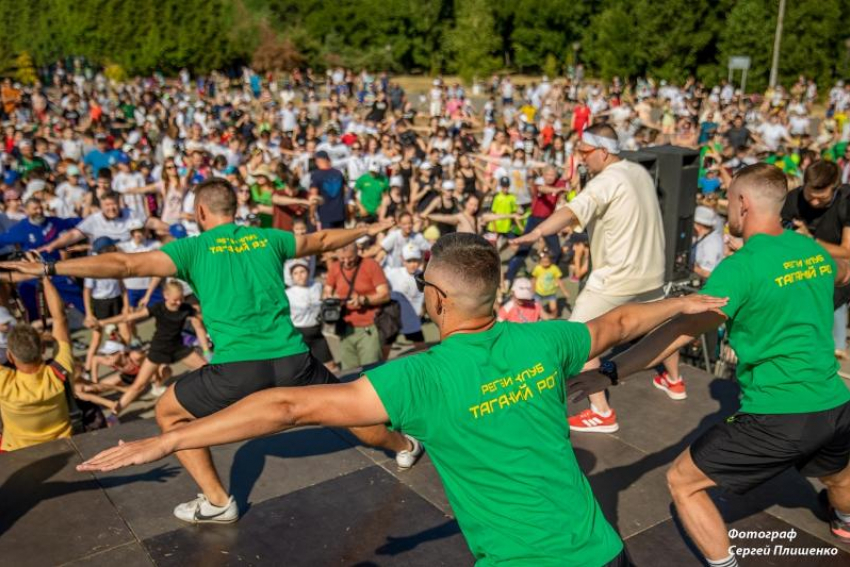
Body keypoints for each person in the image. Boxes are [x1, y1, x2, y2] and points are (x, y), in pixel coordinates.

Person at [76, 232, 727, 566]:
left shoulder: (418, 378)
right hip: (604, 552)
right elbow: (620, 324)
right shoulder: (547, 341)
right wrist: (684, 302)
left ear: (437, 301)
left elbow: (289, 408)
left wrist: (168, 436)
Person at [1, 178, 419, 524]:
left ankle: (218, 501)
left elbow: (125, 266)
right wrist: (368, 229)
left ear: (200, 213)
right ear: (235, 210)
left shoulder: (193, 248)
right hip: (295, 361)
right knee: (352, 412)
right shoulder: (267, 238)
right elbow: (325, 238)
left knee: (169, 412)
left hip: (237, 371)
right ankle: (403, 446)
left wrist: (48, 267)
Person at [568, 163, 850, 565]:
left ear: (742, 203)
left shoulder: (739, 268)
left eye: (729, 201)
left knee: (682, 482)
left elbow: (677, 332)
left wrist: (610, 372)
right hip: (836, 403)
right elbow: (843, 270)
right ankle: (844, 520)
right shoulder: (812, 251)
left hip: (779, 413)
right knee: (839, 474)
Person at [512, 123, 683, 432]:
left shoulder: (606, 181)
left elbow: (568, 212)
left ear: (603, 152)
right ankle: (674, 381)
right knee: (662, 324)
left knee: (582, 338)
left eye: (585, 152)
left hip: (617, 274)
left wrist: (536, 231)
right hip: (651, 268)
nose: (580, 158)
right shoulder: (638, 172)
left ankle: (601, 412)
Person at [95, 280, 211, 414]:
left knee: (207, 369)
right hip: (158, 349)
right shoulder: (158, 307)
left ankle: (219, 400)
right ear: (165, 295)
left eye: (181, 299)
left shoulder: (186, 309)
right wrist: (102, 322)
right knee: (139, 385)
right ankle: (114, 414)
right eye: (175, 300)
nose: (178, 303)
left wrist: (206, 351)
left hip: (178, 348)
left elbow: (202, 324)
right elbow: (128, 316)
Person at [780, 160, 850, 357]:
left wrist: (811, 241)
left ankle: (833, 346)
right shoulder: (793, 199)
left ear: (835, 188)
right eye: (810, 196)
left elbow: (847, 250)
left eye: (822, 199)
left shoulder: (846, 201)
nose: (814, 203)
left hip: (839, 264)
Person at [0, 268, 73, 451]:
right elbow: (60, 319)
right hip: (64, 446)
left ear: (10, 356)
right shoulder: (58, 373)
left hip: (14, 452)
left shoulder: (4, 384)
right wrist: (44, 274)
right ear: (42, 349)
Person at [324, 243, 389, 370]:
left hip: (369, 327)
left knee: (371, 369)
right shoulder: (335, 267)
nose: (347, 262)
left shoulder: (370, 265)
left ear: (357, 252)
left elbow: (385, 295)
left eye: (350, 258)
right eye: (342, 258)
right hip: (345, 327)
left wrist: (363, 300)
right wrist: (330, 298)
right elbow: (327, 291)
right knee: (349, 371)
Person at [285, 261, 336, 373]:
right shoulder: (288, 293)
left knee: (330, 366)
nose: (299, 275)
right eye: (296, 273)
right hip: (300, 333)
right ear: (291, 276)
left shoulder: (317, 286)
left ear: (308, 272)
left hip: (317, 331)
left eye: (302, 271)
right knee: (305, 368)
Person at [383, 243, 426, 357]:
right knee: (385, 350)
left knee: (423, 351)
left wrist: (423, 308)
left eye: (416, 260)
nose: (413, 264)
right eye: (409, 261)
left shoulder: (422, 276)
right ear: (402, 260)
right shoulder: (392, 274)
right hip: (393, 321)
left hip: (413, 321)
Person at [531, 250, 569, 319]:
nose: (545, 263)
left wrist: (564, 291)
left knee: (554, 309)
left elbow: (559, 280)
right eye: (543, 262)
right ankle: (535, 319)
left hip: (551, 293)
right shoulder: (537, 268)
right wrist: (532, 289)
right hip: (539, 292)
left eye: (547, 262)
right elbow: (534, 279)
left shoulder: (554, 268)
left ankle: (553, 320)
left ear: (551, 261)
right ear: (539, 261)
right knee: (536, 308)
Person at [692, 206, 724, 279]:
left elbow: (708, 273)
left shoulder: (711, 243)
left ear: (698, 225)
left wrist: (689, 267)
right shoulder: (704, 237)